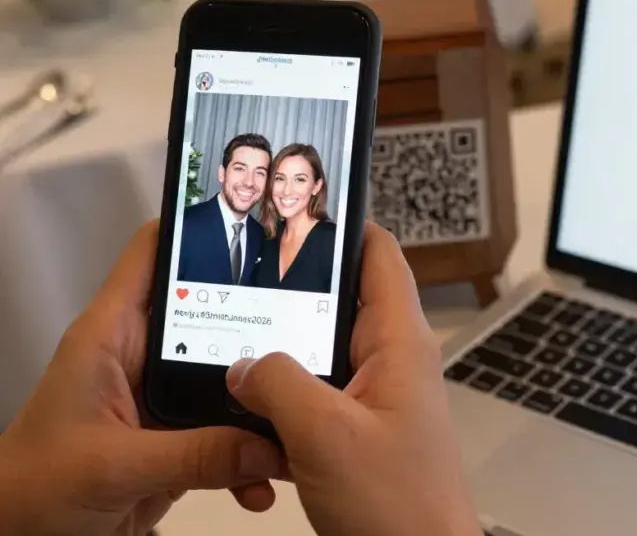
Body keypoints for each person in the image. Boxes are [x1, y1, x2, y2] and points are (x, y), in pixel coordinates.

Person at [0, 220, 481, 536]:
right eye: (273, 176)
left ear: (316, 187)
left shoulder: (326, 246)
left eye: (297, 178)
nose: (271, 185)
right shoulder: (245, 238)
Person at [177, 134, 270, 286]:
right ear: (222, 173)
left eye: (260, 173)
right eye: (240, 169)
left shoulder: (263, 237)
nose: (249, 182)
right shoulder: (182, 224)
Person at [253, 144, 337, 294]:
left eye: (299, 180)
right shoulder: (265, 239)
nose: (287, 190)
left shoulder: (334, 241)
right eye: (279, 178)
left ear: (316, 187)